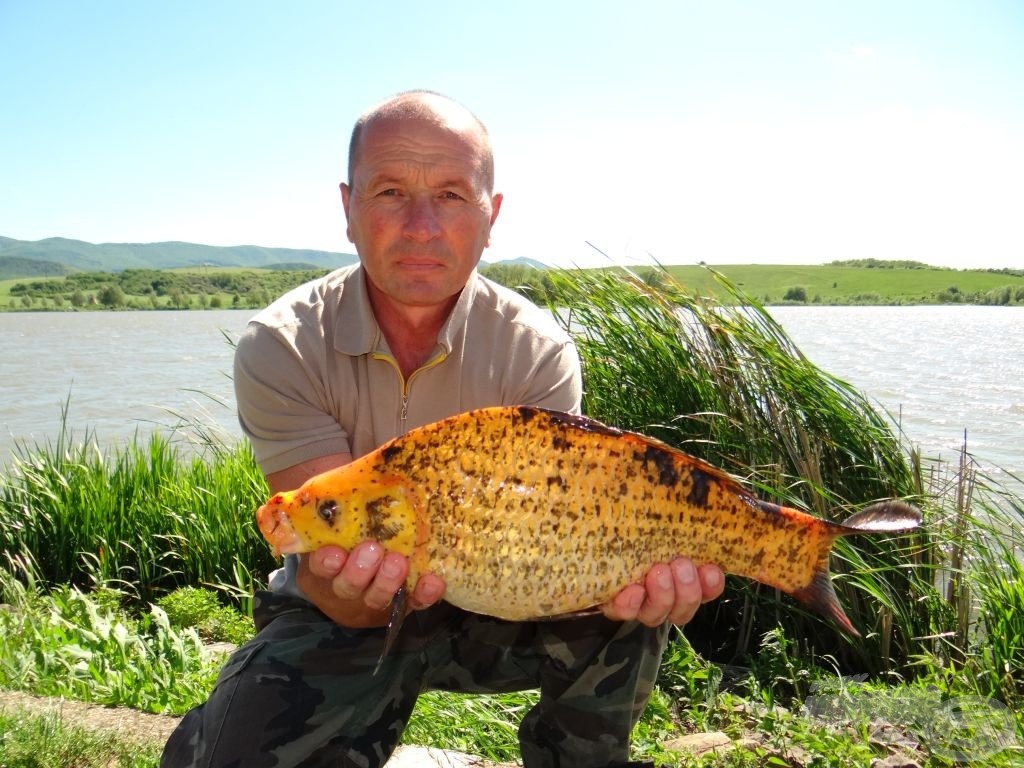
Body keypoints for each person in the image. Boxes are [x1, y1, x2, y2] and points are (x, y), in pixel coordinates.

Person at [162, 90, 724, 768]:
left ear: (492, 216)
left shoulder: (536, 351)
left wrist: (631, 582)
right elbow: (321, 544)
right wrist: (346, 588)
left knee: (627, 617)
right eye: (391, 191)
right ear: (348, 209)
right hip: (340, 607)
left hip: (506, 594)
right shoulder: (281, 344)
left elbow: (568, 537)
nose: (422, 224)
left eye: (453, 196)